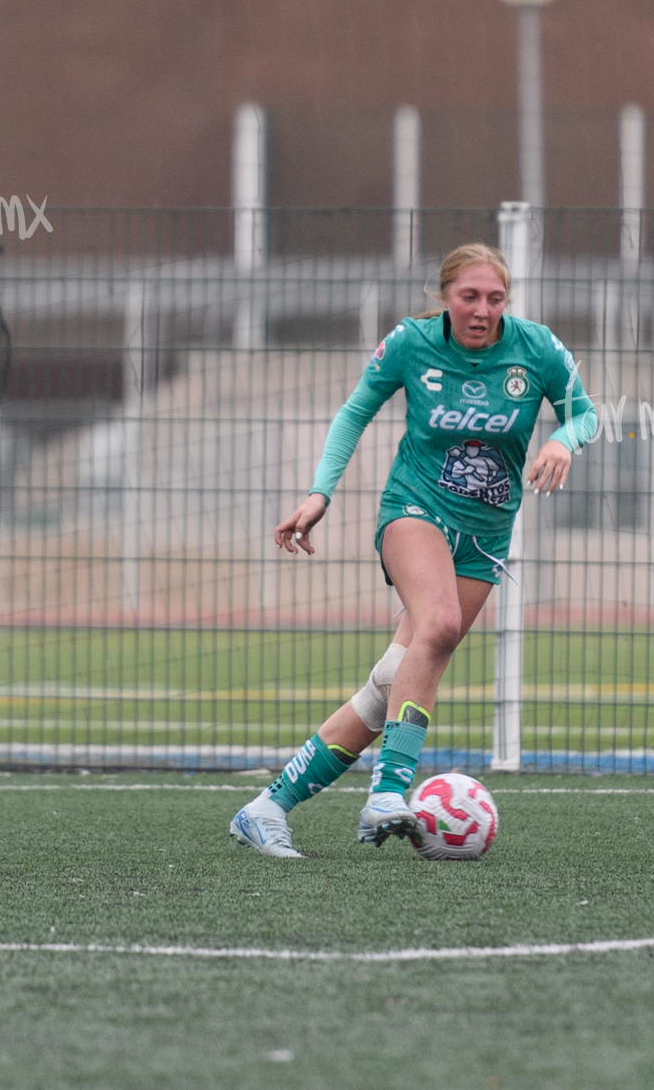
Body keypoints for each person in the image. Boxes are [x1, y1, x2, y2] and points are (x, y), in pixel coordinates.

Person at [229, 243, 599, 857]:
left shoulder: (537, 348)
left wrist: (563, 439)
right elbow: (354, 413)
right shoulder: (410, 343)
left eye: (495, 299)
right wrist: (320, 493)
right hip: (413, 511)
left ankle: (267, 807)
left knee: (388, 683)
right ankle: (387, 792)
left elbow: (585, 416)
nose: (483, 310)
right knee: (441, 623)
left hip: (485, 539)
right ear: (446, 297)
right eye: (469, 297)